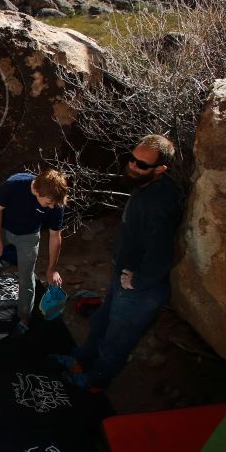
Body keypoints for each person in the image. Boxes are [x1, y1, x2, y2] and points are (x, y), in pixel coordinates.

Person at [52, 135, 182, 392]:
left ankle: (95, 382)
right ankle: (81, 361)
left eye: (142, 165)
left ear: (160, 169)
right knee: (102, 322)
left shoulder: (160, 203)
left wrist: (137, 280)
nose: (133, 166)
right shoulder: (146, 185)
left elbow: (163, 253)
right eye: (132, 159)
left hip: (140, 287)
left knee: (117, 340)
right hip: (124, 274)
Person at [0, 169, 68, 335]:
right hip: (1, 227)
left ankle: (24, 316)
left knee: (27, 277)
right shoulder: (14, 185)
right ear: (37, 191)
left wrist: (52, 268)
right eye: (48, 203)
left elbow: (55, 236)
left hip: (29, 235)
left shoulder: (55, 203)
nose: (52, 207)